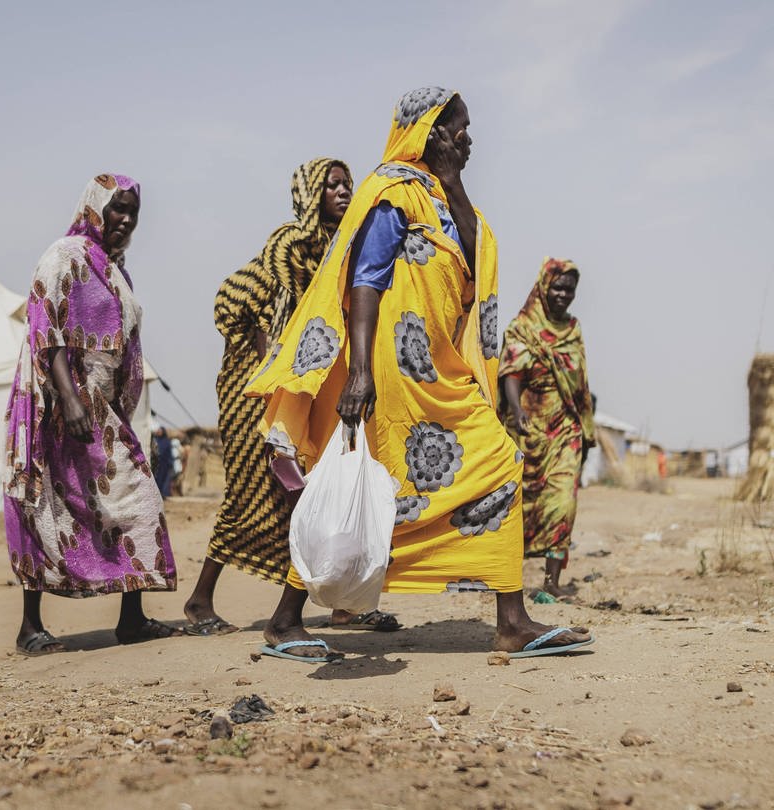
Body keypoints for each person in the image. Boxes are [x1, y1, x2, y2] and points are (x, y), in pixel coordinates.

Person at [244, 87, 593, 663]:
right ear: (432, 133)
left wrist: (454, 181)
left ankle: (511, 622)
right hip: (388, 374)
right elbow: (365, 281)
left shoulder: (444, 200)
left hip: (437, 371)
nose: (471, 138)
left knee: (459, 475)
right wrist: (357, 372)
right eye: (460, 129)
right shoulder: (392, 194)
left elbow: (477, 260)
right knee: (366, 486)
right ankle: (286, 620)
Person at [184, 159, 403, 636]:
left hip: (314, 384)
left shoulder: (342, 246)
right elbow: (244, 304)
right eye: (332, 185)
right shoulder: (290, 244)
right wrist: (273, 360)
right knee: (253, 494)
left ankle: (344, 604)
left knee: (323, 491)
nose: (344, 192)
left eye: (347, 183)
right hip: (260, 388)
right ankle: (200, 600)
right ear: (309, 194)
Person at [2, 173, 180, 656]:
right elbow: (45, 326)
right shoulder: (65, 256)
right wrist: (70, 399)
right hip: (60, 406)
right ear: (95, 208)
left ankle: (132, 619)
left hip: (103, 411)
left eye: (133, 213)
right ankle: (29, 627)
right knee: (45, 506)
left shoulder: (116, 270)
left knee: (138, 500)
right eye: (117, 209)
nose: (125, 220)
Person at [500, 258, 596, 598]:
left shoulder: (573, 329)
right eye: (557, 287)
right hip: (530, 427)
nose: (563, 295)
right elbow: (510, 374)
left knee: (563, 502)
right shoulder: (523, 328)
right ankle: (506, 578)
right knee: (522, 504)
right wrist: (515, 408)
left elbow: (580, 383)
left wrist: (585, 426)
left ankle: (552, 582)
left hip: (567, 427)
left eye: (569, 290)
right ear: (543, 286)